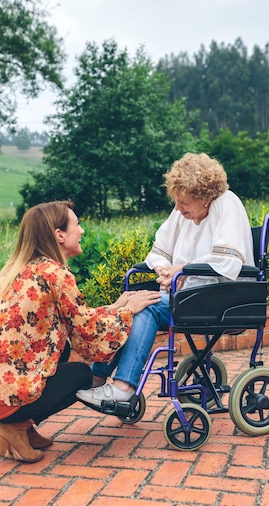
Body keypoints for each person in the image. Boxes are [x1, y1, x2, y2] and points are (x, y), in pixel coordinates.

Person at [0, 201, 161, 463]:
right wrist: (128, 312)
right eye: (77, 224)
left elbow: (76, 319)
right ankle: (15, 428)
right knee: (80, 376)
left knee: (62, 349)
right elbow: (87, 333)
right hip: (1, 398)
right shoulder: (55, 273)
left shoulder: (21, 269)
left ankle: (25, 427)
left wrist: (115, 306)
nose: (82, 231)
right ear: (60, 235)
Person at [76, 152, 255, 408]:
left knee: (145, 306)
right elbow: (160, 251)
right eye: (177, 201)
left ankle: (122, 388)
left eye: (184, 202)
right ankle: (97, 377)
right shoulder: (183, 211)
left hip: (222, 298)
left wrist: (182, 270)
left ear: (205, 198)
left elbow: (228, 261)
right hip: (190, 295)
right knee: (135, 301)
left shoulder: (227, 204)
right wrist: (165, 271)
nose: (179, 208)